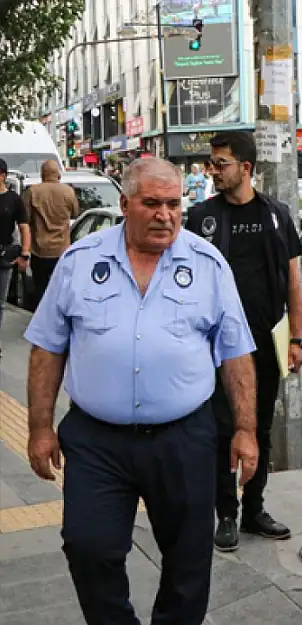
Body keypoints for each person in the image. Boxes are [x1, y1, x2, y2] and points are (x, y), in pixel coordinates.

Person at [23, 157, 259, 625]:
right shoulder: (79, 261)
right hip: (97, 441)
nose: (165, 215)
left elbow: (235, 355)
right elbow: (47, 349)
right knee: (88, 545)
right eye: (151, 203)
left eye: (173, 204)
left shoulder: (208, 265)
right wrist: (39, 427)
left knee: (189, 557)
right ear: (126, 204)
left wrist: (246, 429)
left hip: (184, 437)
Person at [185, 131, 302, 552]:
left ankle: (253, 508)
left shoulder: (276, 215)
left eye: (221, 164)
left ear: (246, 168)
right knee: (223, 429)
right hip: (216, 347)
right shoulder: (202, 217)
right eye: (212, 164)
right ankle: (227, 515)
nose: (213, 171)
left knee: (262, 428)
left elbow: (293, 280)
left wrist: (297, 338)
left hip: (265, 341)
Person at [24, 159, 80, 305]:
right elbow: (75, 213)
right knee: (61, 291)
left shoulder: (33, 192)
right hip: (61, 250)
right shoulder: (68, 191)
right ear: (58, 175)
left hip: (39, 250)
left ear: (42, 174)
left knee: (41, 291)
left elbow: (25, 219)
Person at [0, 159, 31, 355]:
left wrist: (25, 253)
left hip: (4, 256)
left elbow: (24, 227)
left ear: (2, 175)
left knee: (0, 303)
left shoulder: (14, 199)